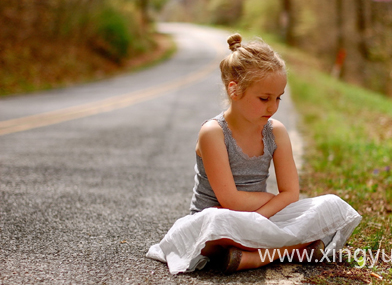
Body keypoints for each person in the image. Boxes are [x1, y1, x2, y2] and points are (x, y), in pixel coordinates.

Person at [146, 33, 362, 274]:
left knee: (332, 206)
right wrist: (270, 208)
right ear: (234, 90)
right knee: (218, 221)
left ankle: (257, 256)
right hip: (219, 221)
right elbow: (230, 200)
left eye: (278, 98)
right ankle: (288, 249)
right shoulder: (213, 133)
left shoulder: (276, 132)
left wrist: (263, 217)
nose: (273, 107)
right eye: (264, 98)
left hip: (262, 216)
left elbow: (291, 193)